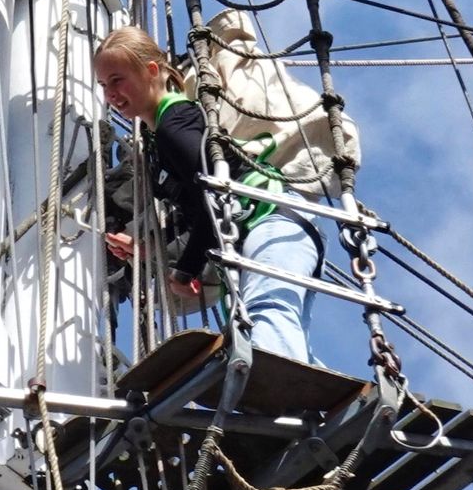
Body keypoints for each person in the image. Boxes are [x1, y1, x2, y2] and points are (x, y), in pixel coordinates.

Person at [93, 27, 325, 365]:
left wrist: (185, 271)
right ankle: (306, 401)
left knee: (267, 313)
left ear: (152, 71)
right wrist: (151, 250)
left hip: (272, 220)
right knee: (269, 325)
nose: (110, 94)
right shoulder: (161, 136)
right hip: (267, 230)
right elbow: (196, 207)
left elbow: (213, 197)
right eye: (103, 86)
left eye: (117, 80)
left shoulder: (174, 124)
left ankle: (274, 391)